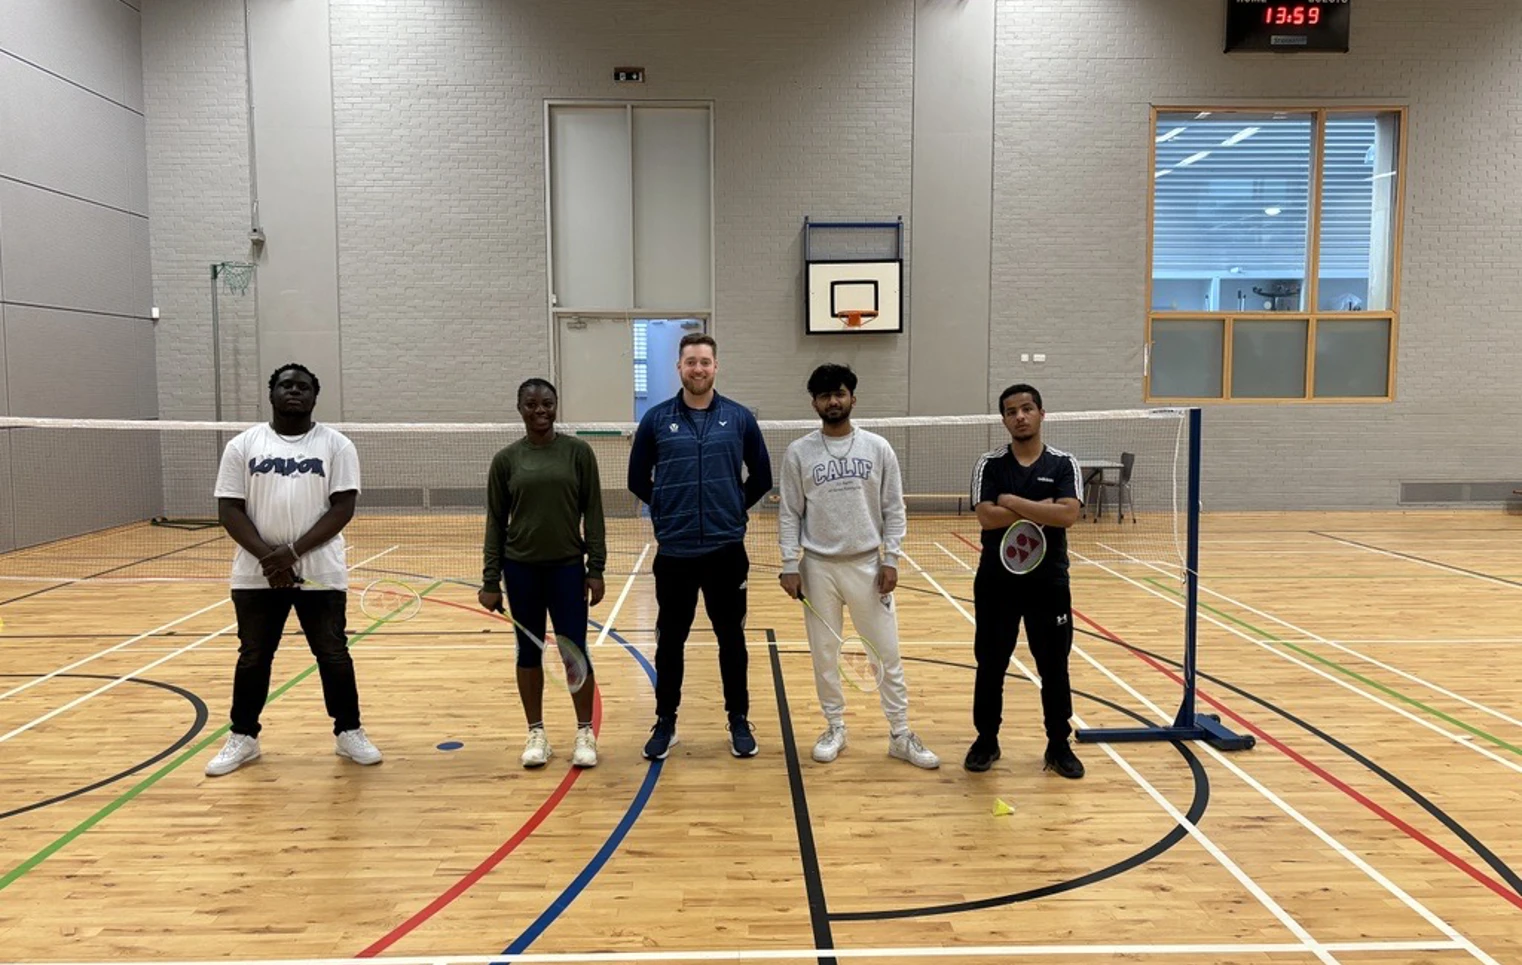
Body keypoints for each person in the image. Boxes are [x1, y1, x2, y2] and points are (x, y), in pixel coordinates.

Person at [205, 363, 381, 776]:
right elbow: (229, 508)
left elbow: (343, 508)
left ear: (314, 396)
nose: (294, 392)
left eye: (303, 387)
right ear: (272, 393)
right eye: (286, 385)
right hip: (255, 576)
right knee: (253, 657)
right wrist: (270, 560)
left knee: (333, 654)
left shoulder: (336, 446)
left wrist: (293, 553)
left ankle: (348, 732)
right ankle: (243, 737)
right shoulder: (243, 446)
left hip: (320, 572)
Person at [778, 364, 940, 769]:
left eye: (840, 393)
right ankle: (835, 726)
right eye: (824, 396)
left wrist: (891, 558)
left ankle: (901, 733)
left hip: (869, 565)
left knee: (886, 652)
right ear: (814, 403)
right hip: (818, 568)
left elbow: (893, 509)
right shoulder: (799, 452)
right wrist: (788, 563)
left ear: (853, 397)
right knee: (825, 654)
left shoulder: (878, 448)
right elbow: (789, 513)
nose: (833, 401)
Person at [627, 333, 773, 760]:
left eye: (705, 362)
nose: (698, 369)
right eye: (690, 362)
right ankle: (666, 721)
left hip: (726, 552)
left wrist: (730, 508)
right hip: (675, 554)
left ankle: (738, 720)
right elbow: (638, 481)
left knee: (732, 639)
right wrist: (671, 511)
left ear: (715, 367)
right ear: (679, 368)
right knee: (670, 641)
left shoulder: (739, 418)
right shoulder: (655, 420)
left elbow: (761, 477)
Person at [478, 379, 607, 769]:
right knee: (528, 651)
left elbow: (594, 514)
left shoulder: (578, 453)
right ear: (519, 408)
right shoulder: (506, 460)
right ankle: (537, 733)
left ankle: (585, 732)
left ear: (556, 406)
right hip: (521, 570)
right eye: (531, 404)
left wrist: (595, 568)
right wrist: (490, 579)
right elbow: (495, 522)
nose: (540, 410)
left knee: (573, 651)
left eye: (547, 404)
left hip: (567, 569)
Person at [966, 383, 1085, 779]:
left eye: (1027, 408)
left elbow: (1068, 515)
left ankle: (1058, 744)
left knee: (1054, 666)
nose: (1020, 416)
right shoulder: (990, 465)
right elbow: (985, 516)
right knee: (991, 663)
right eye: (1011, 411)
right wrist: (1041, 509)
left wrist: (1012, 503)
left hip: (1048, 583)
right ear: (1003, 419)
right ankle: (987, 739)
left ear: (1041, 413)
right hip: (997, 583)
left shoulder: (1063, 464)